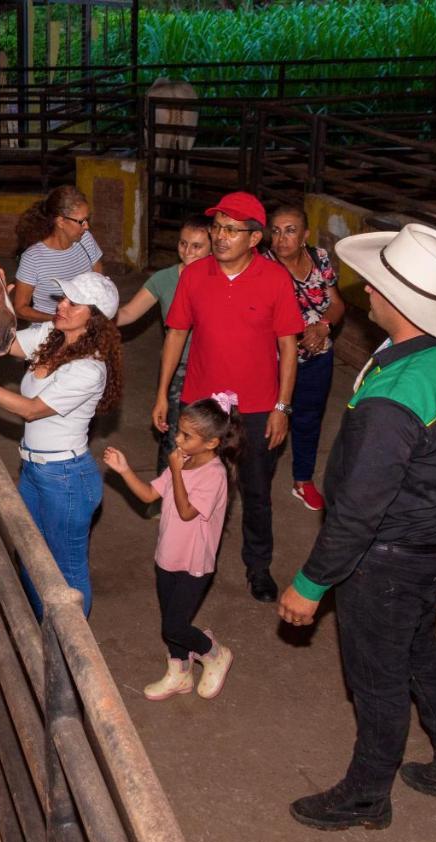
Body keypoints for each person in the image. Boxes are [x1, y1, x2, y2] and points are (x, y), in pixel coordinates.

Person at [278, 223, 436, 831]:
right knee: (421, 652)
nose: (366, 290)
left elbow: (358, 512)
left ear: (395, 300)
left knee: (377, 680)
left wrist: (312, 583)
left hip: (389, 557)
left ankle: (366, 795)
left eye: (374, 284)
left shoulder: (392, 399)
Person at [153, 191, 304, 603]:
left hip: (257, 407)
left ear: (254, 239)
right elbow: (177, 334)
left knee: (255, 491)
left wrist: (282, 407)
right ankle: (196, 560)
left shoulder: (275, 279)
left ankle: (259, 568)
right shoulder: (194, 275)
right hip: (203, 406)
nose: (220, 237)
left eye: (231, 230)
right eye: (217, 227)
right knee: (197, 484)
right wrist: (164, 394)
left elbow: (289, 347)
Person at [0, 271, 123, 618]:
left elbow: (31, 411)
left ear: (96, 319)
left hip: (67, 479)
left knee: (67, 572)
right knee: (29, 556)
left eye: (73, 303)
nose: (61, 306)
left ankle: (70, 652)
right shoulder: (50, 335)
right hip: (33, 470)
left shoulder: (90, 370)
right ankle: (45, 632)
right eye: (62, 298)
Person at [102, 393, 242, 701]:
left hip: (194, 564)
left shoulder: (215, 475)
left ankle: (214, 652)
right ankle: (179, 673)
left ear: (211, 443)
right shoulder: (186, 460)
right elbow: (150, 496)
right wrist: (125, 470)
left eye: (186, 436)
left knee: (175, 625)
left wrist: (177, 471)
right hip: (168, 555)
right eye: (179, 430)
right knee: (171, 623)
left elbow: (187, 511)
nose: (177, 439)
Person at [264, 205, 345, 511]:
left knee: (309, 419)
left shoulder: (320, 258)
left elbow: (337, 303)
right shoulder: (263, 266)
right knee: (268, 422)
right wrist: (298, 333)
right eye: (276, 230)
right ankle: (259, 482)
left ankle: (303, 480)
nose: (282, 238)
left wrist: (323, 327)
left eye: (290, 230)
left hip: (318, 356)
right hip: (275, 361)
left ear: (305, 235)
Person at [116, 214, 212, 472]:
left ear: (213, 247)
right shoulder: (164, 279)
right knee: (174, 437)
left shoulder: (220, 280)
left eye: (196, 246)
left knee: (212, 439)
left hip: (214, 368)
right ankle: (163, 499)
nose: (187, 252)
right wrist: (94, 313)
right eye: (182, 244)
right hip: (178, 367)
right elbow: (127, 314)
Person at [12, 186, 104, 323]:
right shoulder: (33, 258)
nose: (86, 226)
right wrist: (59, 319)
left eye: (87, 219)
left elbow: (99, 280)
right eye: (81, 221)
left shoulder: (86, 239)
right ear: (60, 221)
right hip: (49, 331)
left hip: (86, 325)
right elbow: (20, 308)